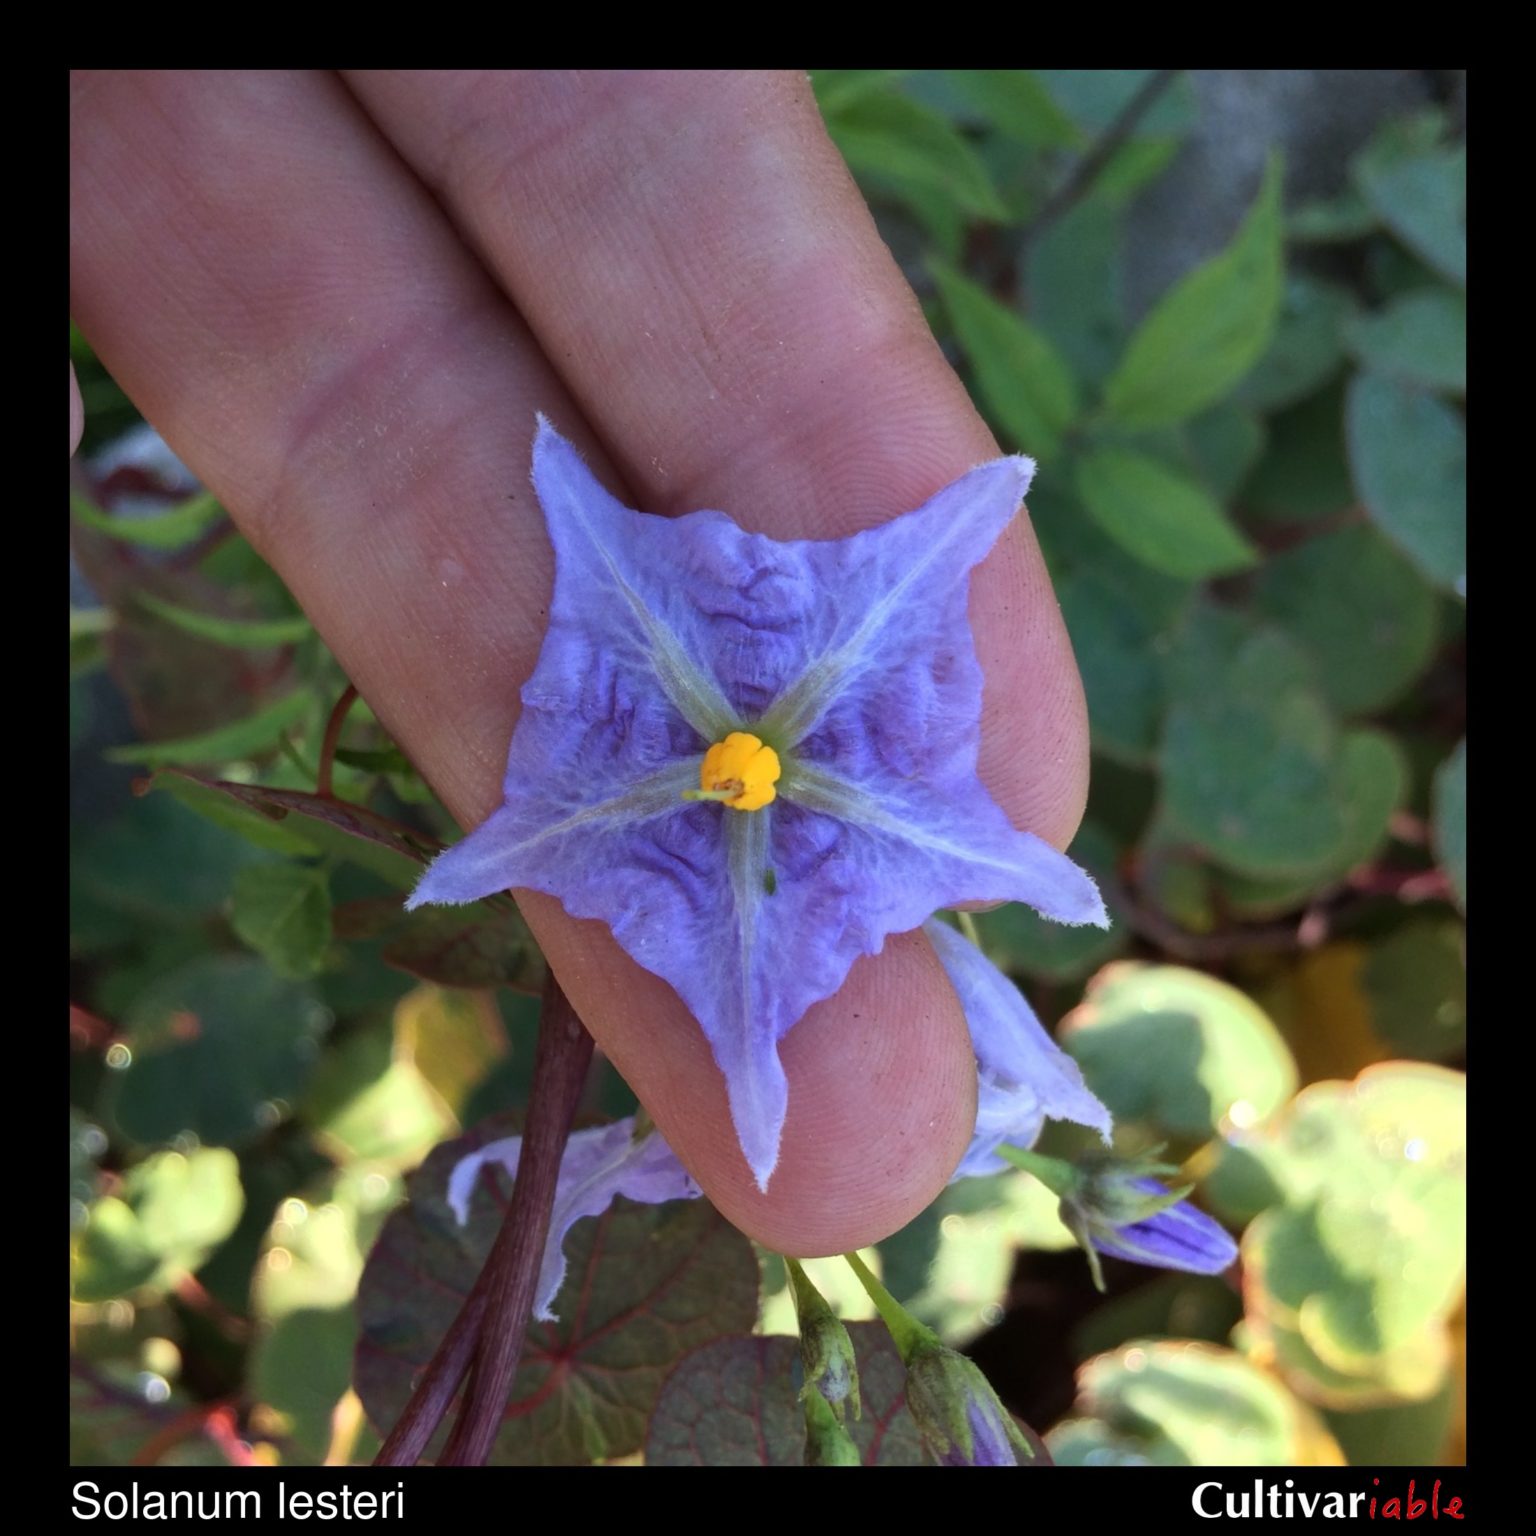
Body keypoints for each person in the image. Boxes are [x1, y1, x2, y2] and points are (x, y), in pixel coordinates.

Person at [69, 69, 1089, 1257]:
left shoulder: (739, 752)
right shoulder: (719, 746)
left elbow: (913, 570)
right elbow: (647, 632)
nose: (739, 775)